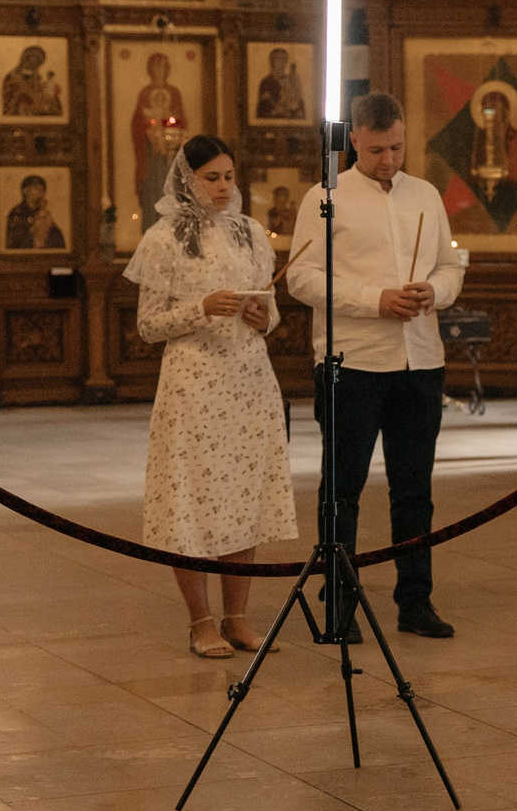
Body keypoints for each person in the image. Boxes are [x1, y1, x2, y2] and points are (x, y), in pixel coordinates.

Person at [285, 92, 465, 638]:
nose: (389, 159)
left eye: (398, 147)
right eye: (377, 149)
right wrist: (375, 298)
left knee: (415, 488)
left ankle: (416, 601)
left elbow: (450, 264)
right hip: (353, 362)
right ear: (354, 140)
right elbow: (301, 278)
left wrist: (433, 290)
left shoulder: (426, 194)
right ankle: (338, 600)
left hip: (419, 360)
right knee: (343, 487)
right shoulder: (325, 196)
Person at [127, 137, 298, 657]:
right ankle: (201, 621)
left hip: (249, 384)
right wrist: (202, 307)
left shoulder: (249, 234)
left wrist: (261, 316)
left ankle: (238, 619)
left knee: (243, 497)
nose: (224, 187)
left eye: (229, 176)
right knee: (190, 501)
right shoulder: (162, 240)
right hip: (193, 386)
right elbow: (148, 326)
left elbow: (272, 311)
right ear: (186, 179)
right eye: (212, 178)